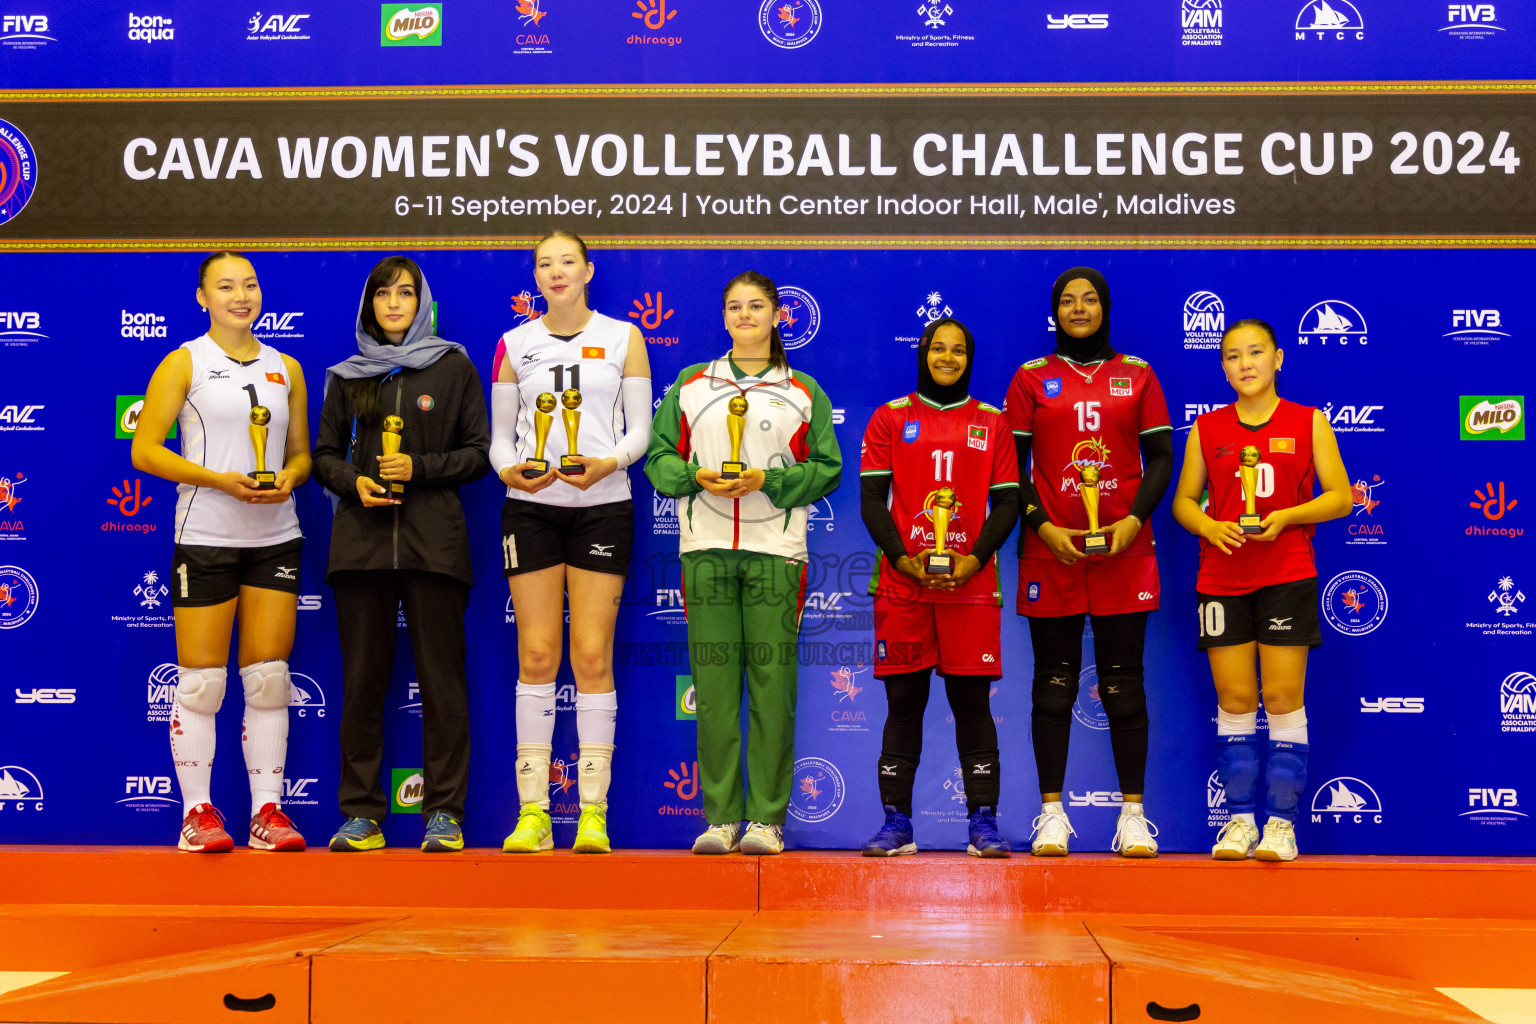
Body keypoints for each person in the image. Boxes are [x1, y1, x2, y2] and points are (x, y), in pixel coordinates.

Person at [646, 270, 842, 856]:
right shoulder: (690, 384)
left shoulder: (804, 389)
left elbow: (827, 468)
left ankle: (767, 819)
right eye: (734, 307)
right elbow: (658, 456)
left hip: (776, 554)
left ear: (779, 315)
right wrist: (692, 476)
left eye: (756, 306)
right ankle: (722, 817)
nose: (745, 316)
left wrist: (769, 481)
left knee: (771, 686)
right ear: (724, 317)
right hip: (704, 549)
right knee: (713, 686)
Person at [130, 250, 311, 853]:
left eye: (250, 284)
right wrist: (218, 479)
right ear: (202, 297)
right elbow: (145, 451)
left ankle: (268, 813)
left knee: (268, 680)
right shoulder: (185, 362)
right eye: (226, 286)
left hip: (275, 536)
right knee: (203, 683)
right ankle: (197, 813)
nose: (241, 295)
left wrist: (291, 476)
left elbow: (302, 453)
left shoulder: (287, 366)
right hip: (206, 533)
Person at [313, 256, 490, 854]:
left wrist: (419, 468)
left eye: (406, 293)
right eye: (383, 293)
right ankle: (361, 814)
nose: (394, 303)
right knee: (362, 684)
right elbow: (323, 455)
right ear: (369, 304)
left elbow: (477, 454)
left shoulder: (453, 366)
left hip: (433, 545)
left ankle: (444, 812)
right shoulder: (346, 375)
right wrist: (352, 482)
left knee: (443, 684)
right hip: (360, 547)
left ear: (423, 303)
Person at [489, 230, 652, 855]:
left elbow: (638, 433)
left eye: (566, 262)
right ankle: (533, 812)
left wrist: (609, 464)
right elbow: (500, 440)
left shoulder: (623, 336)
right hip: (530, 510)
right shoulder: (514, 344)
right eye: (543, 264)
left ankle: (592, 813)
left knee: (589, 655)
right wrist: (509, 471)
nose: (555, 273)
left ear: (588, 270)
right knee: (536, 656)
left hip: (602, 508)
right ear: (535, 276)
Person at [1002, 267, 1173, 858]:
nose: (1080, 308)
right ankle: (1051, 814)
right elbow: (1010, 470)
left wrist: (1131, 521)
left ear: (1105, 307)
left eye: (1090, 299)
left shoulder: (1138, 374)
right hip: (1051, 552)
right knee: (1052, 686)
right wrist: (1042, 526)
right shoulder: (1031, 379)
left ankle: (1133, 817)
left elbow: (1160, 461)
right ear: (1056, 312)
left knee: (1124, 685)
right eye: (1068, 301)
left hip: (1125, 551)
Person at [1171, 318, 1350, 862]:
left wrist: (1287, 516)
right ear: (1222, 368)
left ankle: (1282, 826)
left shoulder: (1309, 421)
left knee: (1281, 699)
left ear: (1278, 359)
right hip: (1222, 579)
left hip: (1286, 575)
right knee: (1236, 700)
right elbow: (1183, 502)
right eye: (1231, 356)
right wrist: (1207, 525)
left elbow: (1341, 497)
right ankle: (1241, 822)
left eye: (1254, 353)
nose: (1244, 363)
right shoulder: (1207, 429)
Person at [858, 318, 1019, 858]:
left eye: (957, 350)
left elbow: (1008, 504)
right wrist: (904, 561)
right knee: (903, 704)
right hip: (904, 587)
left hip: (971, 586)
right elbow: (872, 502)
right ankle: (896, 822)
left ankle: (983, 822)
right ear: (922, 352)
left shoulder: (992, 422)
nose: (946, 358)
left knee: (972, 704)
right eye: (937, 348)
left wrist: (973, 560)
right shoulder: (890, 417)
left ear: (969, 357)